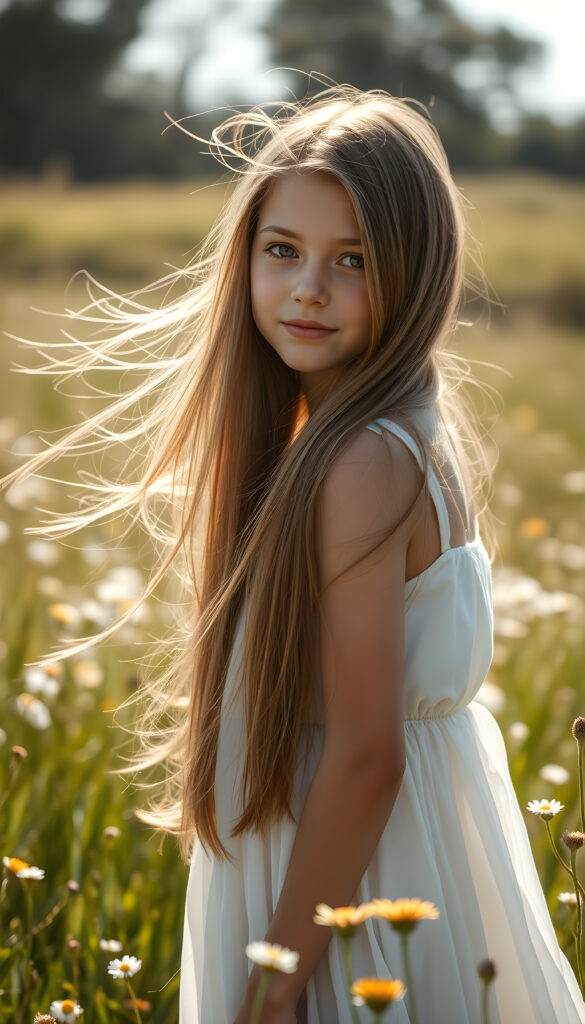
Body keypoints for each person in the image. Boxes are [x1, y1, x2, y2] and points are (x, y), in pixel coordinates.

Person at [3, 84, 583, 1023]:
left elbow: (364, 757)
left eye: (351, 260)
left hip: (350, 895)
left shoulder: (362, 461)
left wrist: (274, 990)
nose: (307, 287)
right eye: (282, 251)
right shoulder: (396, 435)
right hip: (398, 860)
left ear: (416, 270)